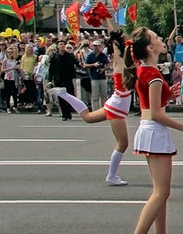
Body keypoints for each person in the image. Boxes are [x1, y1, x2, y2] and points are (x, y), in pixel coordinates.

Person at [124, 27, 183, 234]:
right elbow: (158, 114)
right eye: (157, 38)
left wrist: (168, 96)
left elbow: (152, 103)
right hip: (155, 131)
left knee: (161, 191)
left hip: (148, 129)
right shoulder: (154, 75)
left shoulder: (146, 71)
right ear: (150, 48)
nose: (161, 40)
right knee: (161, 192)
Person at [48, 20, 134, 186]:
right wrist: (107, 23)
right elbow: (116, 39)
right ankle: (111, 175)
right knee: (123, 143)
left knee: (87, 117)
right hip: (118, 105)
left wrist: (106, 22)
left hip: (117, 102)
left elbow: (116, 38)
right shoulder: (120, 62)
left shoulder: (128, 62)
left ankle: (64, 94)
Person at [84, 39, 110, 111]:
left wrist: (104, 69)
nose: (96, 47)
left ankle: (103, 110)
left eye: (97, 46)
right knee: (95, 96)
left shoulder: (103, 55)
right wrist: (93, 65)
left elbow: (108, 64)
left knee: (104, 95)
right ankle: (95, 110)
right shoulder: (90, 55)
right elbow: (85, 65)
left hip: (102, 77)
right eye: (94, 46)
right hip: (94, 77)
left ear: (100, 46)